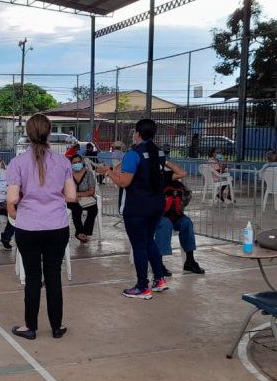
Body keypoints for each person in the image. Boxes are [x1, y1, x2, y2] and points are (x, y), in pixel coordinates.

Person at [6, 114, 77, 340]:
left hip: (29, 227)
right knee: (54, 276)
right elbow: (72, 196)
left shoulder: (18, 162)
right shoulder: (63, 162)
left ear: (27, 134)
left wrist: (19, 213)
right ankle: (56, 326)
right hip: (56, 226)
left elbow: (12, 197)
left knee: (33, 278)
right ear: (49, 132)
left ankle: (31, 327)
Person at [97, 119, 167, 300]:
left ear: (137, 133)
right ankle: (159, 279)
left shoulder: (133, 155)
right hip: (156, 206)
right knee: (149, 241)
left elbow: (123, 182)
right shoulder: (159, 152)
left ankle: (142, 287)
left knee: (139, 247)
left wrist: (107, 171)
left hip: (137, 208)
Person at [155, 160, 204, 275]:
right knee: (165, 224)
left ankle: (190, 261)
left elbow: (182, 173)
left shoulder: (171, 181)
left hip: (174, 216)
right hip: (155, 217)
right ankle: (158, 262)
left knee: (186, 222)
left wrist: (165, 160)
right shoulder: (151, 179)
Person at [67, 153, 98, 243]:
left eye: (79, 162)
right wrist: (74, 196)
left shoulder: (88, 173)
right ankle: (79, 232)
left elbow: (92, 191)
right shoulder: (68, 174)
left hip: (86, 199)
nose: (77, 164)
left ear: (82, 162)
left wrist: (78, 194)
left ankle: (85, 232)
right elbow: (64, 190)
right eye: (74, 162)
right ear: (71, 164)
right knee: (76, 210)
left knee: (94, 209)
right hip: (72, 200)